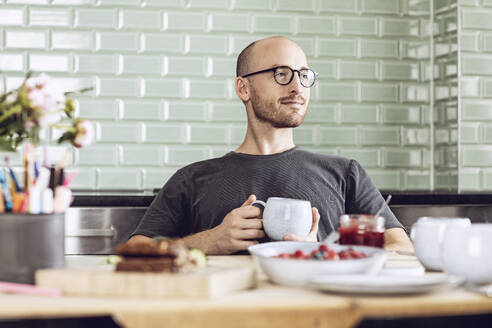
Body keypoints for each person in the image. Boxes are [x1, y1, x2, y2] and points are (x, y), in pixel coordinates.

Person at [129, 36, 414, 254]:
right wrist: (209, 241)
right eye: (281, 74)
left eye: (304, 75)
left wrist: (324, 252)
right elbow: (134, 251)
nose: (297, 87)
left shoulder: (345, 173)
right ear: (244, 88)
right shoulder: (192, 179)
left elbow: (401, 248)